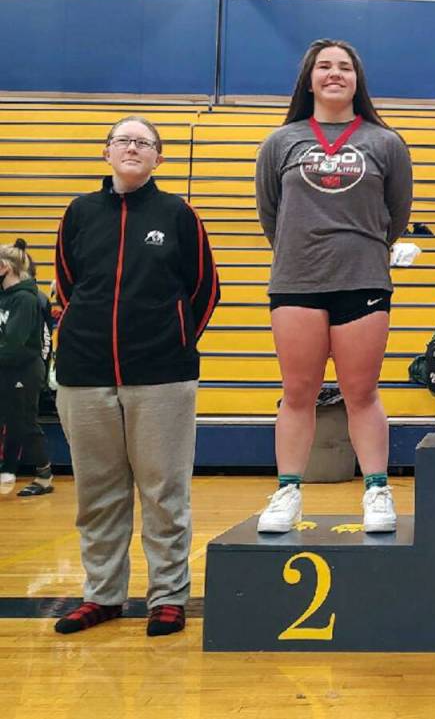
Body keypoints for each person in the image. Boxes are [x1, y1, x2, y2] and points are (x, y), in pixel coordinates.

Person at [52, 116, 220, 637]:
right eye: (122, 140)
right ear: (106, 153)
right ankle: (102, 594)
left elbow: (205, 289)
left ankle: (167, 596)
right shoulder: (79, 214)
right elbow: (65, 286)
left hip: (162, 376)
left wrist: (173, 339)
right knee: (97, 493)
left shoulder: (179, 215)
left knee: (163, 491)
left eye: (143, 142)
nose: (132, 148)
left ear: (158, 158)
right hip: (84, 374)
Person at [255, 39, 413, 535]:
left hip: (362, 278)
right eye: (324, 66)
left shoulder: (386, 143)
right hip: (297, 279)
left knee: (361, 392)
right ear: (309, 79)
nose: (335, 73)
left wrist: (359, 248)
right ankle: (287, 491)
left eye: (345, 67)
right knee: (297, 392)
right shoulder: (281, 142)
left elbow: (396, 214)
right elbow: (270, 214)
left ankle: (376, 490)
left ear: (357, 80)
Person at [0, 239, 53, 497]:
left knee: (25, 422)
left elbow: (14, 341)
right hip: (6, 365)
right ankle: (6, 469)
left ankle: (44, 476)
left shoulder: (25, 299)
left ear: (4, 268)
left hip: (24, 368)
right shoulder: (5, 297)